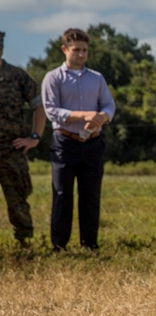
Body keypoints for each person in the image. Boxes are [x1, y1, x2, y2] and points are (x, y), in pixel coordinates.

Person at [41, 28, 115, 251]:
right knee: (62, 194)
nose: (81, 55)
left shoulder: (97, 78)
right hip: (65, 141)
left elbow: (109, 104)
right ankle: (59, 245)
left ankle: (89, 244)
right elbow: (51, 110)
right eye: (76, 50)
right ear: (65, 49)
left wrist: (103, 117)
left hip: (92, 142)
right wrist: (81, 115)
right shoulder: (53, 78)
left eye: (85, 50)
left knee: (90, 195)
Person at [0, 30, 46, 248]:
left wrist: (34, 137)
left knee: (18, 202)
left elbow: (39, 106)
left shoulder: (18, 77)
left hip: (11, 151)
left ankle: (25, 246)